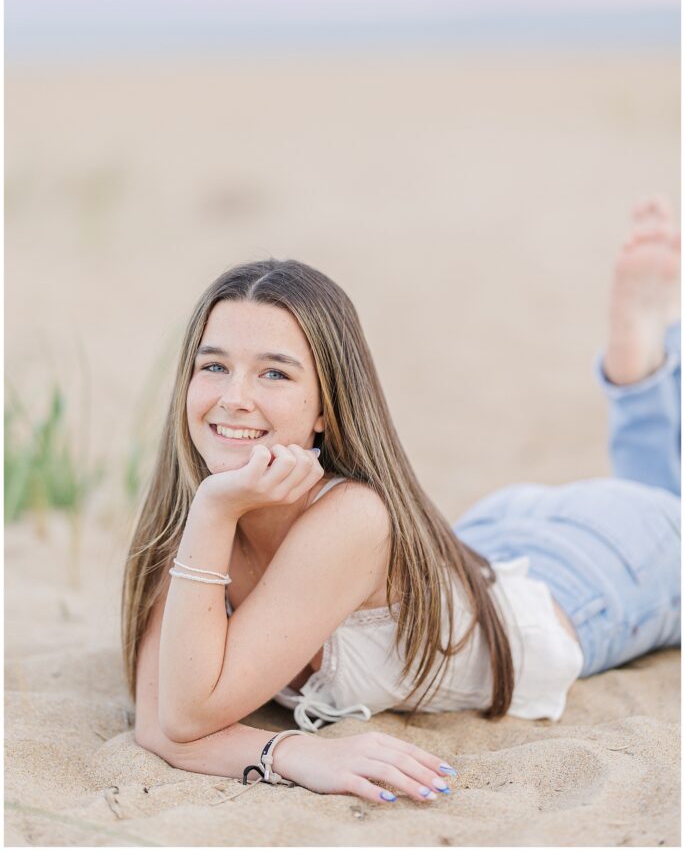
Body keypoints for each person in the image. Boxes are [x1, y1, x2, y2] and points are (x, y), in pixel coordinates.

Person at [123, 195, 680, 805]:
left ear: (325, 410)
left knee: (665, 504)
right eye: (214, 366)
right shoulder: (199, 510)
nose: (233, 397)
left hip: (599, 581)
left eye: (275, 373)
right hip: (490, 540)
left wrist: (214, 511)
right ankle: (643, 366)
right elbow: (163, 720)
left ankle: (637, 364)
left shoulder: (349, 518)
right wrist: (293, 752)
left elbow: (184, 719)